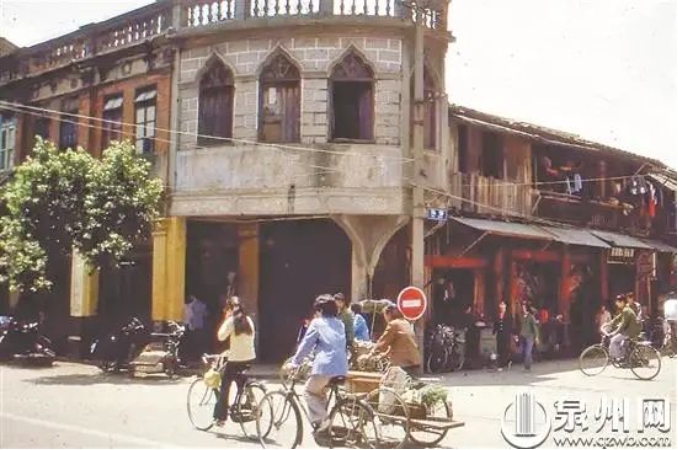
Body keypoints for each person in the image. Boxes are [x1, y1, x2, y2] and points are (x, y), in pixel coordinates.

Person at [286, 295, 348, 431]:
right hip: (342, 367)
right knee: (320, 392)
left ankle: (323, 419)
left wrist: (295, 362)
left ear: (320, 310)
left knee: (308, 392)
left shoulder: (317, 323)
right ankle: (323, 428)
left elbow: (306, 344)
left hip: (325, 367)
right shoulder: (340, 324)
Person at [213, 296, 256, 427]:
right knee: (240, 380)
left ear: (230, 308)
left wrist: (227, 319)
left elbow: (220, 336)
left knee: (225, 385)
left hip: (235, 359)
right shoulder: (249, 320)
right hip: (249, 357)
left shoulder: (231, 321)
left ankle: (221, 418)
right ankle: (250, 402)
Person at [371, 303, 421, 377]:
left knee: (388, 382)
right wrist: (384, 355)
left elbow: (383, 341)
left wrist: (371, 354)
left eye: (384, 315)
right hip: (414, 361)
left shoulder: (393, 324)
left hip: (403, 364)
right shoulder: (405, 322)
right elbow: (399, 343)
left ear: (389, 314)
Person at [608, 294, 641, 363]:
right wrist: (611, 322)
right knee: (622, 343)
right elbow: (619, 317)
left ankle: (620, 357)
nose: (616, 304)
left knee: (613, 340)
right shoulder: (626, 309)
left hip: (630, 332)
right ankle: (626, 357)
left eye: (617, 302)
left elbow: (623, 324)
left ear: (622, 302)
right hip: (630, 330)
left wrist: (615, 332)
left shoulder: (626, 310)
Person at [184, 294, 208, 362]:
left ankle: (195, 359)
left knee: (195, 343)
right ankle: (191, 359)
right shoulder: (186, 305)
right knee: (190, 344)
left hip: (196, 327)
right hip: (189, 327)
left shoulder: (200, 305)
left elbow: (206, 314)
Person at [518, 302, 539, 371]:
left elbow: (534, 327)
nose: (523, 309)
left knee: (528, 351)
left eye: (524, 308)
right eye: (522, 308)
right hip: (522, 336)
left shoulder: (531, 317)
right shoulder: (521, 316)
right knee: (523, 351)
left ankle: (528, 366)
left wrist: (536, 336)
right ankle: (527, 363)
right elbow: (519, 326)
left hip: (529, 336)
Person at [493, 301, 512, 369]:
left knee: (505, 348)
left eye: (503, 304)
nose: (501, 305)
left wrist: (513, 333)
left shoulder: (508, 315)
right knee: (500, 348)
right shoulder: (498, 315)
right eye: (500, 304)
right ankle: (501, 363)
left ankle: (506, 361)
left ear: (505, 306)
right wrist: (494, 332)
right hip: (499, 334)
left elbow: (510, 324)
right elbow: (495, 324)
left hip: (506, 334)